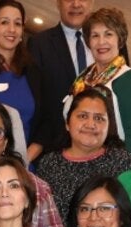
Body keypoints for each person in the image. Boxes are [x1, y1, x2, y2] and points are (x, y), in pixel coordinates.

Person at [33, 88, 131, 227]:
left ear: (109, 126)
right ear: (67, 123)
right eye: (83, 116)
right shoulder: (48, 164)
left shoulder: (125, 163)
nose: (90, 124)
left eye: (99, 118)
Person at [27, 0, 95, 161]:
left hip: (100, 151)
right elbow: (38, 104)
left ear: (92, 3)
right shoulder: (39, 44)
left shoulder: (107, 44)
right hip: (53, 151)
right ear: (58, 3)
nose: (76, 4)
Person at [72, 7, 131, 153]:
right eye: (95, 36)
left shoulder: (129, 79)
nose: (101, 42)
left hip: (114, 168)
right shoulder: (81, 79)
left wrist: (126, 175)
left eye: (108, 34)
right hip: (79, 159)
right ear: (88, 42)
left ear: (120, 39)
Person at [0, 0, 39, 142]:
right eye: (4, 22)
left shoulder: (33, 70)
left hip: (27, 159)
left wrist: (26, 157)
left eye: (17, 23)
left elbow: (45, 121)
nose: (12, 29)